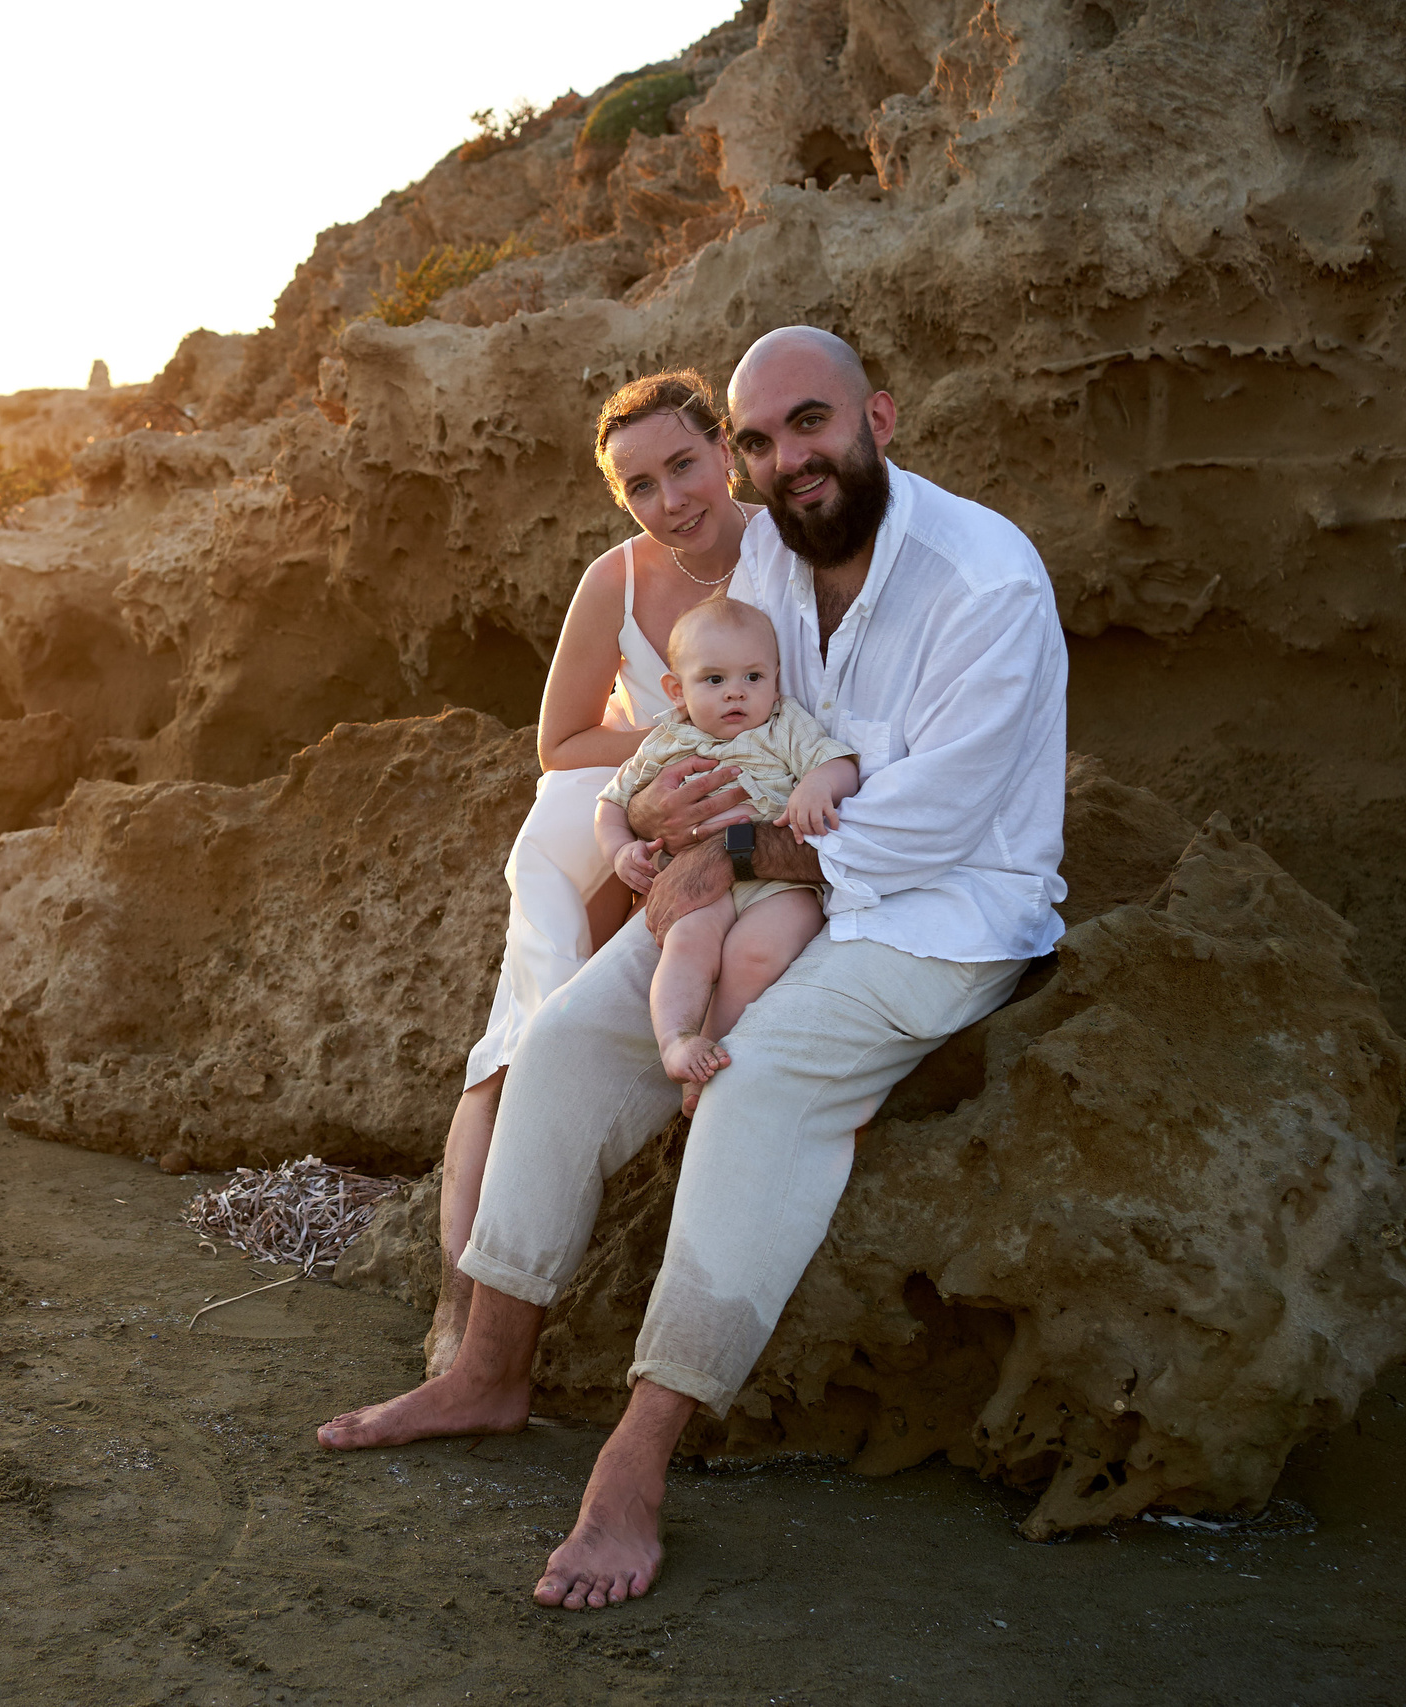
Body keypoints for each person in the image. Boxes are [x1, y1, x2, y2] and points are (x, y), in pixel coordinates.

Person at [317, 326, 1069, 1615]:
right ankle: (488, 1368)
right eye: (763, 441)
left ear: (878, 417)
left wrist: (717, 843)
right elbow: (712, 737)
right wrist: (660, 830)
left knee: (760, 1083)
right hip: (770, 879)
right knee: (560, 1041)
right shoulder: (769, 558)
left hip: (940, 914)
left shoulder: (983, 584)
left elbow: (921, 830)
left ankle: (633, 1465)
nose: (790, 461)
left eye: (813, 425)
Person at [425, 371, 763, 1376]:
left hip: (758, 801)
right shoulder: (614, 579)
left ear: (726, 453)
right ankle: (459, 1297)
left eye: (684, 467)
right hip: (611, 793)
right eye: (641, 486)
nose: (670, 503)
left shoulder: (790, 557)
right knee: (525, 1005)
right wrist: (656, 766)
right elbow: (560, 739)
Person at [593, 596, 858, 1110]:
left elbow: (840, 763)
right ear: (677, 690)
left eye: (753, 677)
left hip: (781, 881)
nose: (736, 692)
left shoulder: (784, 725)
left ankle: (712, 1052)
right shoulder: (666, 741)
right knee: (688, 943)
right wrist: (620, 850)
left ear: (776, 680)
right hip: (696, 883)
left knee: (755, 955)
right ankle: (676, 1039)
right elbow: (611, 804)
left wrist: (817, 787)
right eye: (713, 680)